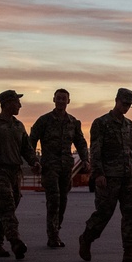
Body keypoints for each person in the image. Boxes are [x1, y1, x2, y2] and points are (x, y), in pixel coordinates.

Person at [79, 88, 132, 262]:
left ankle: (129, 250)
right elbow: (95, 150)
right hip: (109, 177)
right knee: (104, 212)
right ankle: (87, 238)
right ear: (116, 100)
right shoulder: (101, 123)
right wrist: (98, 173)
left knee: (130, 212)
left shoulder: (129, 125)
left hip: (127, 176)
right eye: (123, 103)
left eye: (128, 105)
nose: (125, 108)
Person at [0, 90, 40, 259]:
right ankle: (15, 241)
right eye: (16, 102)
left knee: (6, 209)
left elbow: (26, 149)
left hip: (14, 172)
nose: (19, 105)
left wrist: (34, 161)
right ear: (6, 103)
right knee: (6, 207)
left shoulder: (18, 125)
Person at [29, 88, 90, 248]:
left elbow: (80, 142)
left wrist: (85, 159)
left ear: (68, 101)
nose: (61, 101)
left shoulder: (73, 122)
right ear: (53, 100)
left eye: (64, 99)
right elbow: (31, 140)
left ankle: (56, 230)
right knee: (53, 199)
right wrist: (33, 160)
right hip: (49, 166)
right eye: (58, 98)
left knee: (62, 200)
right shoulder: (44, 121)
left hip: (66, 167)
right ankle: (52, 235)